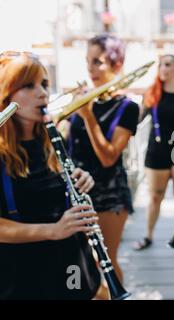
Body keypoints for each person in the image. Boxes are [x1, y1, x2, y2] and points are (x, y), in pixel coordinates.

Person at [0, 51, 100, 299]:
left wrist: (80, 178)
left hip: (70, 263)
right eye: (28, 85)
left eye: (44, 84)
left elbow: (56, 190)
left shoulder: (51, 139)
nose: (42, 93)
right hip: (22, 273)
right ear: (6, 95)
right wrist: (52, 230)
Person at [68, 34, 139, 285]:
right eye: (88, 61)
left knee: (105, 261)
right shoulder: (86, 101)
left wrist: (87, 116)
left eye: (97, 61)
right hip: (76, 190)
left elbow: (109, 157)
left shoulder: (128, 107)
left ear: (116, 63)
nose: (90, 69)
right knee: (82, 262)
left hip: (109, 193)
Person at [133, 55, 174, 250]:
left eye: (168, 65)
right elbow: (137, 120)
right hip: (157, 150)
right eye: (161, 65)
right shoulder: (153, 93)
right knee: (156, 196)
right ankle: (148, 235)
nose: (163, 69)